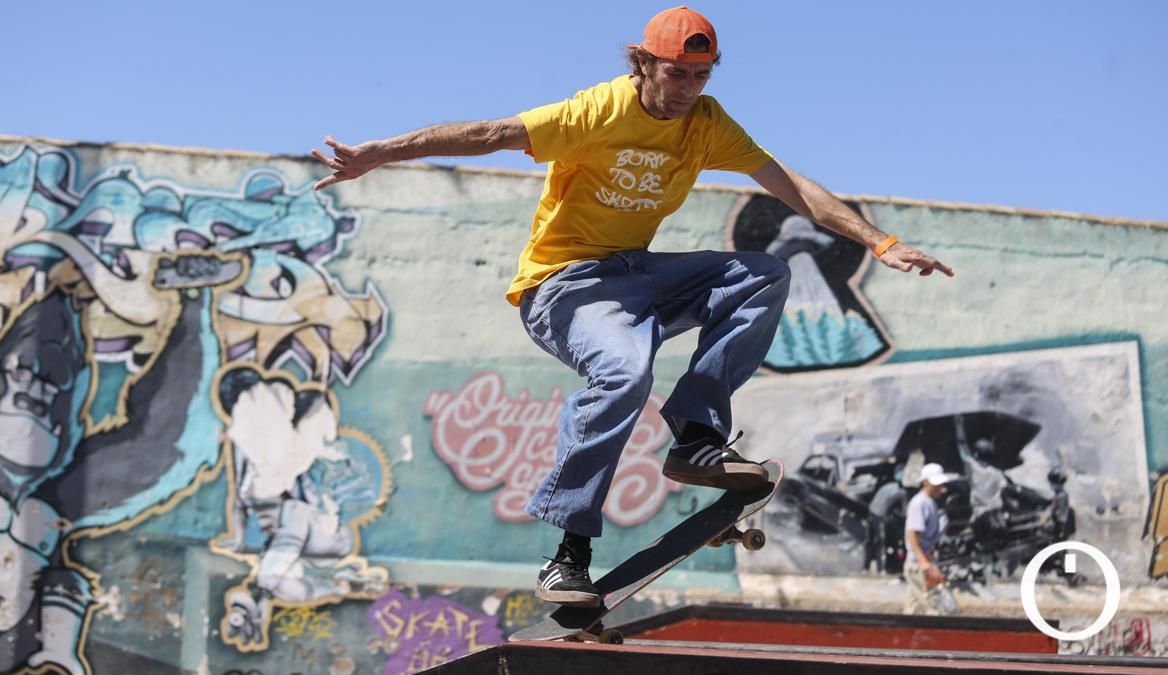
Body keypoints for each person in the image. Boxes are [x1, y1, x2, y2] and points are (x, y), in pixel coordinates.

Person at [312, 6, 954, 607]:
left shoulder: (708, 124)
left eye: (700, 77)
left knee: (763, 274)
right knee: (624, 371)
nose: (686, 91)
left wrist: (882, 241)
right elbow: (488, 133)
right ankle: (568, 552)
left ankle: (697, 437)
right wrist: (377, 154)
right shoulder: (596, 111)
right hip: (563, 286)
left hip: (637, 278)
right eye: (676, 74)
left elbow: (790, 186)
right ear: (643, 63)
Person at [904, 463, 961, 615]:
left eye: (941, 484)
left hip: (923, 560)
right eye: (936, 484)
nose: (940, 488)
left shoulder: (930, 503)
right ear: (924, 483)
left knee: (914, 609)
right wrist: (923, 561)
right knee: (936, 608)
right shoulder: (920, 503)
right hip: (919, 564)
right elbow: (912, 533)